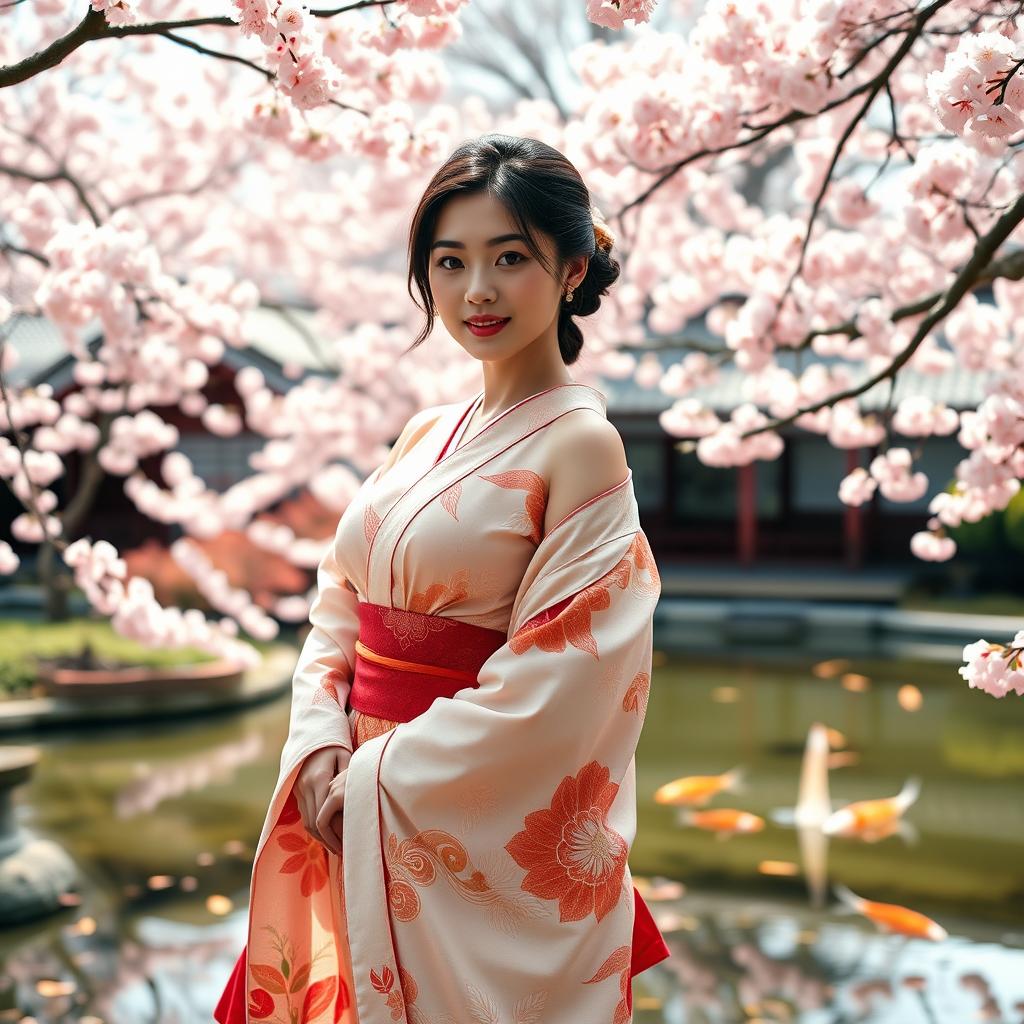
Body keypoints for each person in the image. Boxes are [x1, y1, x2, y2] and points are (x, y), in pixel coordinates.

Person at [215, 133, 669, 1024]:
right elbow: (339, 598)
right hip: (356, 787)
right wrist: (318, 738)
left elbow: (567, 678)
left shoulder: (581, 443)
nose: (478, 291)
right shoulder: (426, 429)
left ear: (572, 268)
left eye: (510, 258)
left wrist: (385, 774)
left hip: (445, 804)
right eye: (449, 262)